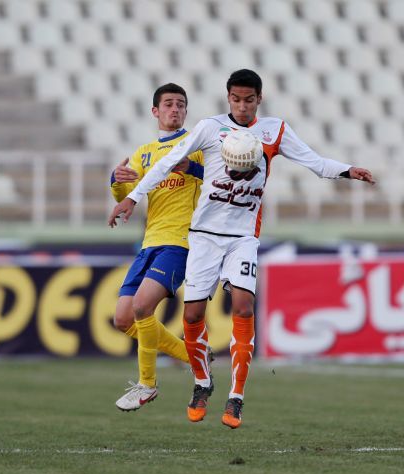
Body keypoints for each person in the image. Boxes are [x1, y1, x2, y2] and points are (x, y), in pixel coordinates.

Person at [108, 69, 375, 428]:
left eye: (249, 100)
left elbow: (314, 162)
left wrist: (348, 170)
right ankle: (202, 383)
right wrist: (132, 198)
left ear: (259, 99)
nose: (243, 106)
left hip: (243, 237)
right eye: (236, 99)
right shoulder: (210, 128)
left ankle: (236, 398)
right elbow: (167, 163)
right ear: (228, 98)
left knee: (243, 306)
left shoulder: (274, 131)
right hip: (203, 235)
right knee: (192, 316)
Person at [110, 83, 204, 412]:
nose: (175, 109)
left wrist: (193, 168)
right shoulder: (145, 153)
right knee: (123, 319)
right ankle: (195, 357)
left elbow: (222, 177)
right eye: (168, 104)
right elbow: (126, 195)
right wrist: (116, 180)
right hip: (149, 243)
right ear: (155, 111)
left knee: (141, 307)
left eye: (180, 104)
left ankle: (147, 384)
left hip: (180, 241)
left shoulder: (196, 145)